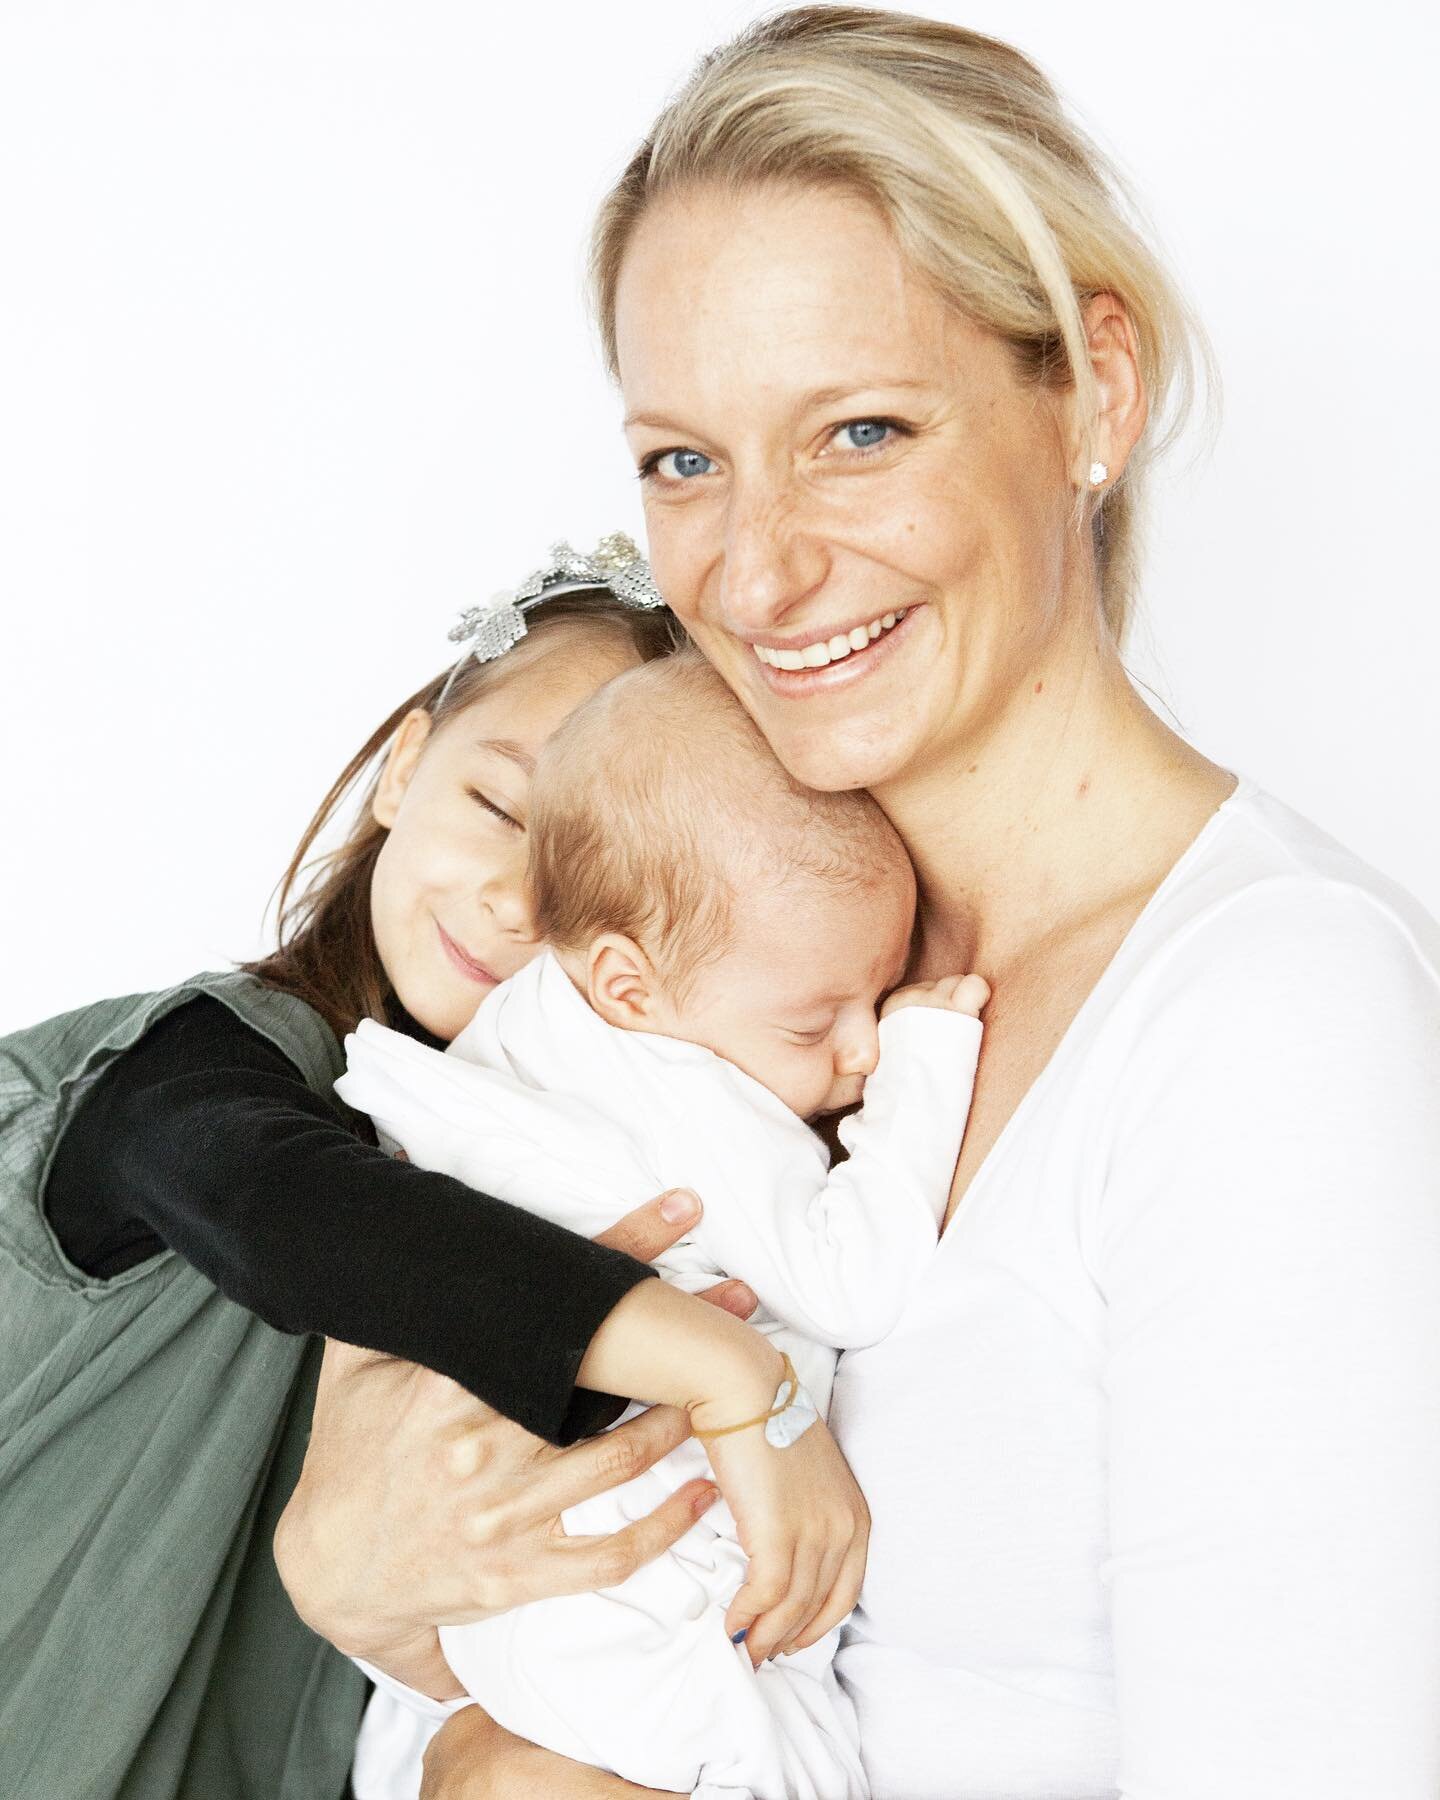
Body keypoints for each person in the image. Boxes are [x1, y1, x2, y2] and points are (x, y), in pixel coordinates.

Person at [281, 11, 1440, 1799]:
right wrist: (357, 1582)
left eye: (861, 431)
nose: (755, 567)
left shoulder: (1266, 1015)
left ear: (1093, 398)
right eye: (684, 462)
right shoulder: (668, 983)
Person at [0, 538, 868, 1800]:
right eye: (500, 809)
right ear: (406, 764)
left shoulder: (535, 1162)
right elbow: (248, 1186)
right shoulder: (197, 1072)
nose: (521, 903)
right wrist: (731, 1377)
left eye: (588, 873)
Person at [334, 651, 988, 1799]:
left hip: (522, 1634)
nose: (861, 1050)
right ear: (631, 986)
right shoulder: (679, 1080)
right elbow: (853, 1282)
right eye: (814, 1024)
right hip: (638, 1612)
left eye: (878, 1002)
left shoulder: (545, 1025)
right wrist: (930, 1065)